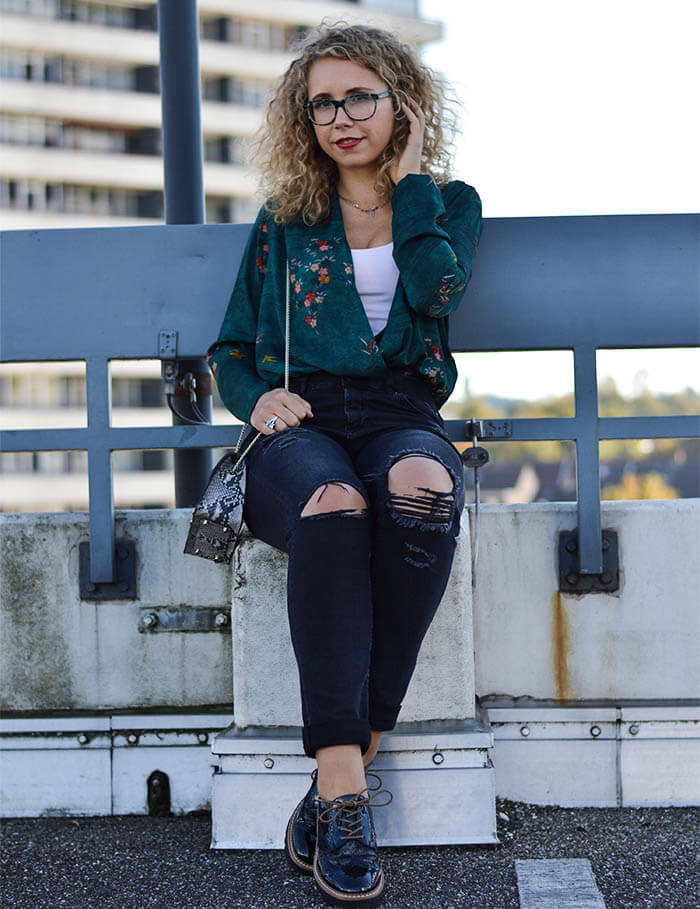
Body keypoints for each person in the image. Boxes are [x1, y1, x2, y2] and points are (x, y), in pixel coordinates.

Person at [207, 22, 481, 906]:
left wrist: (408, 193)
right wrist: (257, 399)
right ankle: (350, 790)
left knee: (425, 486)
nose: (341, 117)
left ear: (401, 101)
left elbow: (438, 290)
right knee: (332, 502)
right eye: (322, 102)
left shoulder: (446, 203)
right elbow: (232, 346)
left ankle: (334, 778)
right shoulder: (286, 219)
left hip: (403, 413)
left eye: (361, 95)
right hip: (307, 421)